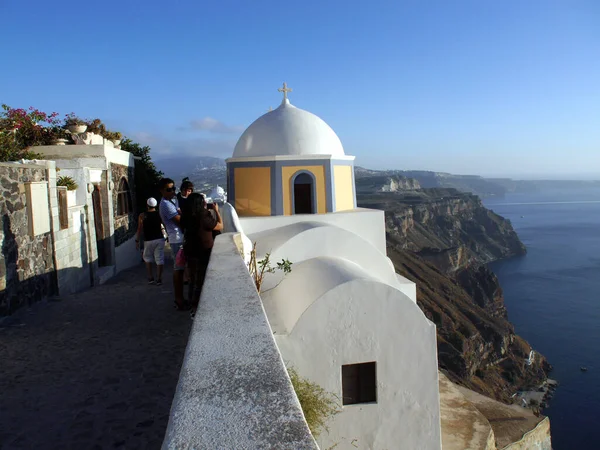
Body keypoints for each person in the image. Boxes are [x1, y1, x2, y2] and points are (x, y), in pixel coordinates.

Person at [181, 193, 223, 318]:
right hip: (203, 251)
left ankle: (191, 306)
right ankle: (196, 308)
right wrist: (216, 211)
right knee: (200, 280)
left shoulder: (185, 216)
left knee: (192, 279)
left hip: (190, 250)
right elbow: (220, 226)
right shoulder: (203, 216)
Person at [158, 178, 186, 309]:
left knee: (180, 270)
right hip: (177, 240)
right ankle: (179, 300)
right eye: (169, 189)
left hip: (177, 239)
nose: (172, 191)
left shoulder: (171, 202)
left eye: (173, 188)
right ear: (162, 191)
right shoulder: (166, 205)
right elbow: (180, 220)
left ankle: (180, 299)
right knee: (178, 270)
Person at [136, 197, 165, 285]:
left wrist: (137, 240)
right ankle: (159, 279)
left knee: (148, 258)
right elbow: (164, 225)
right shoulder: (159, 214)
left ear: (147, 205)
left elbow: (139, 229)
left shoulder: (142, 215)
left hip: (148, 240)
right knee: (159, 259)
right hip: (159, 238)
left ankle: (150, 278)